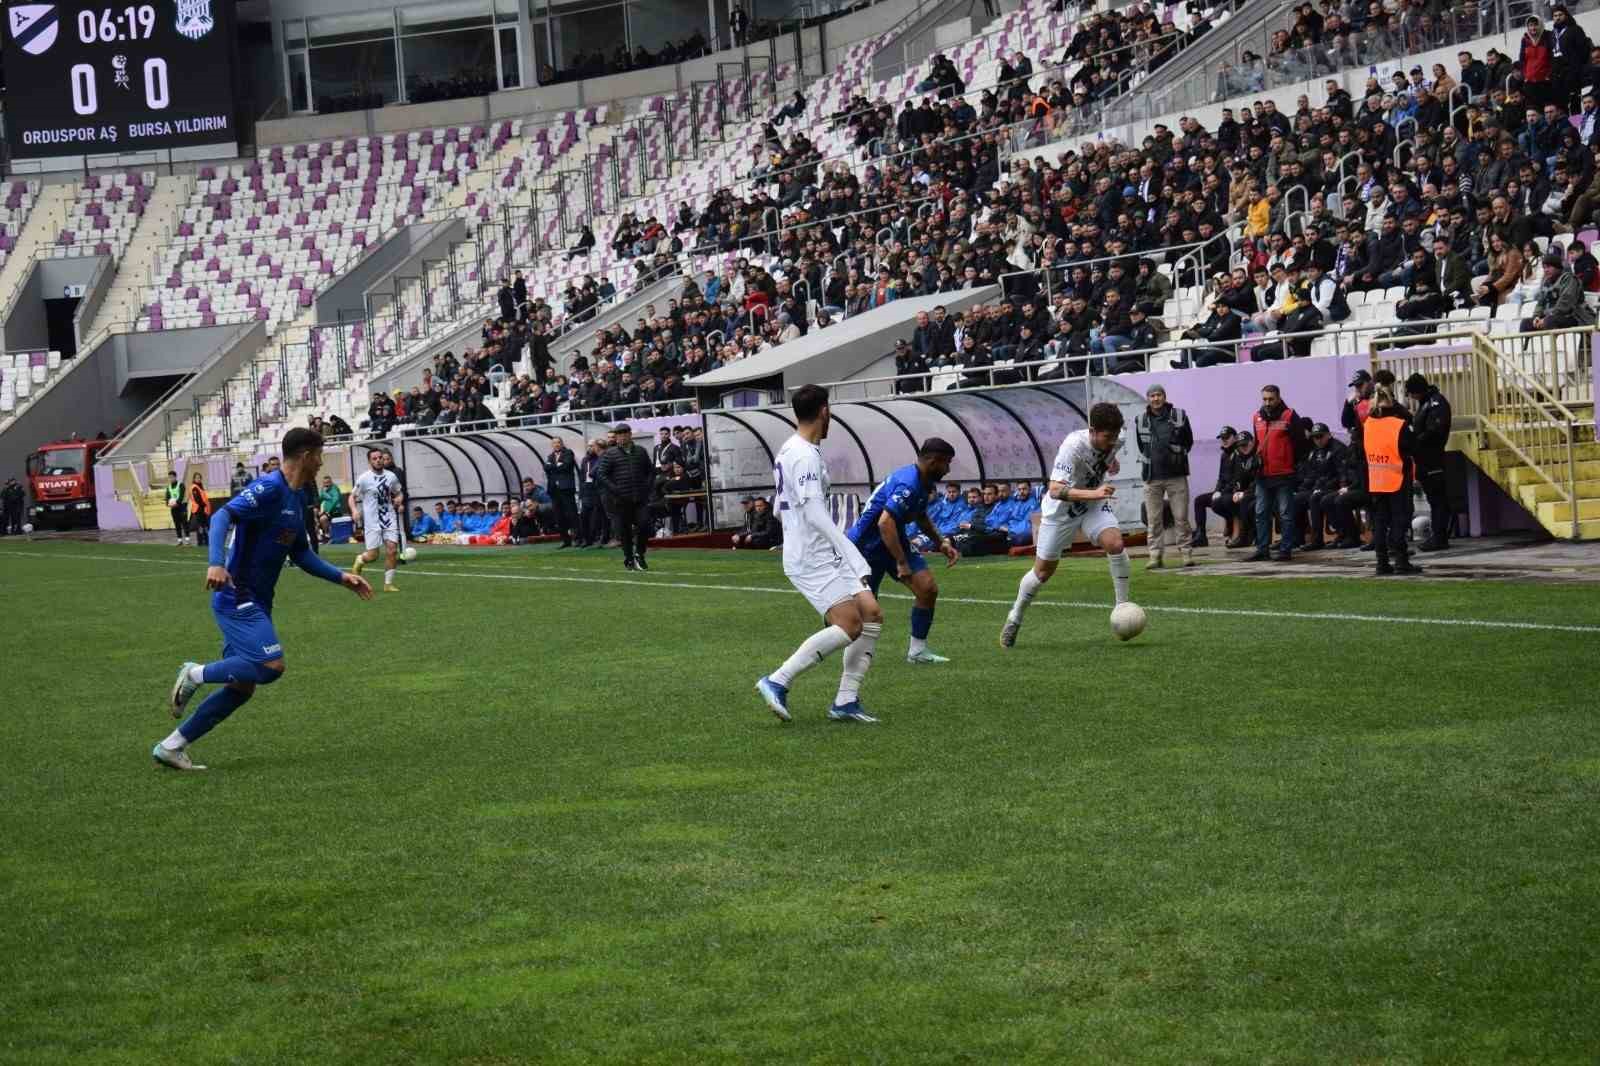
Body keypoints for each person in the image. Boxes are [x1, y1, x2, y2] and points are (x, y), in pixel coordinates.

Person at [155, 427, 373, 771]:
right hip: (237, 594)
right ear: (306, 456)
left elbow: (300, 553)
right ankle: (194, 673)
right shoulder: (270, 487)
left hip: (258, 600)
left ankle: (171, 747)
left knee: (242, 688)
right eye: (319, 456)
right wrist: (216, 562)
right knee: (271, 667)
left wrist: (340, 577)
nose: (321, 463)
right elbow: (223, 515)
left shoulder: (297, 497)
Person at [755, 385, 883, 724]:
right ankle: (778, 680)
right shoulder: (804, 455)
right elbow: (814, 513)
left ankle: (846, 701)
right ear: (825, 411)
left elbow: (781, 509)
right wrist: (852, 554)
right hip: (812, 556)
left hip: (822, 550)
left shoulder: (793, 449)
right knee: (850, 624)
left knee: (871, 613)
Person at [1000, 403, 1132, 649]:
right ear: (1092, 431)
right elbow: (1055, 489)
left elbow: (1108, 457)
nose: (1113, 441)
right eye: (1107, 437)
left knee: (1115, 544)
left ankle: (1122, 608)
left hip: (1092, 505)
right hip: (1061, 512)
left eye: (1115, 436)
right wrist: (1094, 493)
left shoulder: (1118, 438)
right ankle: (1015, 617)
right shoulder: (1072, 446)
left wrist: (1111, 462)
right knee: (1042, 573)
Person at [845, 438, 962, 665]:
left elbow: (920, 516)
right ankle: (838, 641)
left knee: (927, 589)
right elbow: (884, 522)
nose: (948, 469)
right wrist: (901, 562)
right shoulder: (909, 483)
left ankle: (917, 652)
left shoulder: (924, 481)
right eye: (947, 463)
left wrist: (941, 543)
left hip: (893, 540)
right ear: (933, 461)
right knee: (864, 612)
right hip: (866, 547)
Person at [1364, 388, 1423, 575]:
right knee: (1400, 520)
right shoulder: (1399, 424)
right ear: (1392, 403)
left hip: (1376, 479)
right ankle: (1401, 561)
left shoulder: (1368, 424)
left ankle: (1381, 562)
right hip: (1397, 478)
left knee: (1380, 522)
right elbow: (1414, 447)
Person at [1135, 385, 1195, 569]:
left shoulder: (1179, 415)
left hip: (1176, 475)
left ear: (1164, 396)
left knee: (1181, 518)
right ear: (1148, 398)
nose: (1156, 399)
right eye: (1152, 395)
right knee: (1153, 520)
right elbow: (1141, 446)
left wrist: (1177, 455)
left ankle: (1186, 554)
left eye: (1159, 395)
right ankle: (1155, 556)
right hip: (1152, 477)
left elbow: (1189, 441)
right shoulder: (1141, 420)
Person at [1248, 384, 1308, 562]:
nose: (1267, 403)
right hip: (1263, 474)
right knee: (1261, 513)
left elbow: (1300, 444)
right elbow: (1257, 442)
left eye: (1271, 399)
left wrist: (1290, 463)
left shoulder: (1289, 416)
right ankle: (1262, 549)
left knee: (1285, 514)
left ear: (1279, 398)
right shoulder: (1257, 417)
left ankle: (1285, 550)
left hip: (1284, 473)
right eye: (1264, 399)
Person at [1405, 373, 1455, 551]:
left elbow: (1434, 431)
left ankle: (1440, 537)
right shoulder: (1426, 403)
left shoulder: (1435, 403)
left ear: (1417, 390)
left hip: (1432, 458)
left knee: (1437, 499)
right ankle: (1438, 535)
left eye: (1411, 393)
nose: (1411, 397)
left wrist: (1415, 441)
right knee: (1434, 499)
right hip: (1424, 459)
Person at [595, 423, 655, 570]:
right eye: (619, 434)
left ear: (630, 435)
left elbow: (650, 471)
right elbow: (601, 474)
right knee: (624, 531)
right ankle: (628, 557)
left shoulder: (640, 451)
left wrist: (646, 487)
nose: (621, 437)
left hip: (640, 498)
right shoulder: (610, 453)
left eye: (624, 433)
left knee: (645, 525)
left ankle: (639, 554)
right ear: (616, 437)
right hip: (620, 500)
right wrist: (615, 489)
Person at [350, 448, 404, 592]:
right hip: (372, 521)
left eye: (380, 457)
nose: (378, 460)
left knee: (392, 549)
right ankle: (360, 560)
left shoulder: (391, 476)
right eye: (374, 458)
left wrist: (399, 499)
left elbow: (399, 493)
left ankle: (388, 584)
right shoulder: (364, 478)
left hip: (389, 518)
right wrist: (354, 510)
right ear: (369, 461)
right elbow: (352, 497)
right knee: (373, 556)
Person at [1190, 426, 1237, 549]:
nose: (1224, 441)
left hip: (1234, 492)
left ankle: (1231, 523)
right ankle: (1201, 535)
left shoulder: (1238, 454)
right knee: (1199, 500)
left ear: (1235, 438)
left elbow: (1236, 479)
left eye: (1227, 438)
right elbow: (1221, 478)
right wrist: (1217, 491)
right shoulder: (1224, 455)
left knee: (1219, 503)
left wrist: (1223, 492)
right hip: (1223, 492)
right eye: (1222, 438)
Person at [543, 437, 580, 548]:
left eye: (558, 442)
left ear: (562, 443)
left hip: (566, 488)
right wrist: (557, 465)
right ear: (552, 445)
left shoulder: (568, 453)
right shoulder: (550, 456)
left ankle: (578, 538)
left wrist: (552, 466)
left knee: (571, 514)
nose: (556, 444)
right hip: (554, 490)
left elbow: (566, 466)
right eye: (554, 443)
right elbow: (546, 468)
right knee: (558, 515)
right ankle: (565, 540)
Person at [579, 439, 607, 548]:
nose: (590, 448)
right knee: (584, 515)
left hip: (596, 489)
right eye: (589, 446)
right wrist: (581, 492)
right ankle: (587, 539)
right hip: (586, 489)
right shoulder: (585, 460)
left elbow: (595, 473)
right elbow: (582, 476)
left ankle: (597, 538)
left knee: (596, 516)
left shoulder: (600, 458)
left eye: (592, 446)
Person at [187, 474, 212, 548]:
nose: (198, 479)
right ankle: (200, 542)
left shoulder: (200, 486)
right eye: (197, 478)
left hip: (202, 509)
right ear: (194, 479)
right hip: (198, 509)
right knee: (201, 526)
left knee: (204, 526)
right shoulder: (194, 487)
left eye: (199, 478)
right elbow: (197, 499)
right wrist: (204, 505)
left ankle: (206, 541)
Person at [166, 471, 189, 546]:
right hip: (173, 508)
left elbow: (181, 496)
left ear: (175, 477)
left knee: (184, 523)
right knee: (177, 524)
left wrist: (177, 503)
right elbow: (167, 497)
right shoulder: (168, 487)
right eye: (169, 477)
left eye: (172, 477)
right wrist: (168, 504)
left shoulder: (181, 485)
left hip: (182, 507)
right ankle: (179, 541)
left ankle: (187, 540)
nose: (171, 479)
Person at [317, 475, 343, 539]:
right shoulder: (323, 490)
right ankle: (320, 535)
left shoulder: (334, 489)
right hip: (326, 512)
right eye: (325, 483)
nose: (326, 484)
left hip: (335, 511)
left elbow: (335, 500)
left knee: (323, 519)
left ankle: (327, 534)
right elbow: (319, 500)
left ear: (331, 482)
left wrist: (328, 511)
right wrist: (323, 492)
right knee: (314, 516)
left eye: (328, 482)